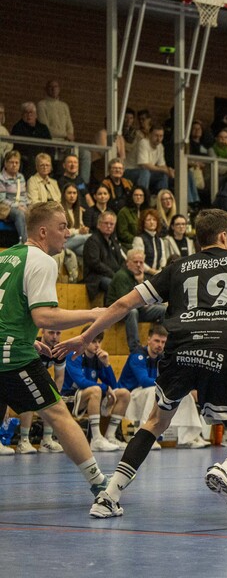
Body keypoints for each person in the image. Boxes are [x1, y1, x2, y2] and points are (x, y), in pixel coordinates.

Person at [54, 208, 227, 521]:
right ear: (224, 236)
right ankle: (226, 469)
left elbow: (122, 304)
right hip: (226, 347)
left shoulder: (177, 267)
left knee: (154, 423)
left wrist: (85, 337)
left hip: (181, 348)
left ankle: (108, 497)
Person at [0, 201, 108, 495]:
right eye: (62, 227)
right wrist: (92, 314)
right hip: (12, 357)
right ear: (43, 232)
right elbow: (45, 316)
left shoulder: (6, 256)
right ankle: (100, 485)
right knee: (58, 413)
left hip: (10, 346)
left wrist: (29, 337)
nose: (68, 233)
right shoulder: (42, 261)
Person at [118, 324, 207, 449]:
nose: (159, 345)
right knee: (153, 392)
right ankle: (147, 437)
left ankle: (188, 437)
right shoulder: (137, 355)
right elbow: (144, 381)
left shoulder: (163, 358)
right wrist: (169, 383)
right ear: (149, 339)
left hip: (148, 391)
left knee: (184, 394)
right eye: (156, 341)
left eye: (163, 342)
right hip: (131, 393)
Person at [62, 328, 131, 452]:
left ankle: (110, 436)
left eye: (99, 341)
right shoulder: (74, 355)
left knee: (124, 394)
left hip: (90, 395)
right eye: (93, 341)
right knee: (96, 390)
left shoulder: (98, 358)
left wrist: (106, 364)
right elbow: (81, 382)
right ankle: (96, 439)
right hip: (69, 397)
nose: (97, 345)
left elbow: (113, 386)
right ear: (84, 340)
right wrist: (104, 388)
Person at [15, 329, 66, 454]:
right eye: (51, 333)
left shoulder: (59, 350)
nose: (55, 337)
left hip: (35, 377)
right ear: (42, 331)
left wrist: (55, 396)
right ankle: (23, 441)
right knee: (28, 394)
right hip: (16, 375)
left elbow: (59, 377)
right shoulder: (32, 345)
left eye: (58, 333)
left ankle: (47, 440)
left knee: (52, 397)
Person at [107, 250, 167, 353]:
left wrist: (140, 281)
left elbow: (150, 298)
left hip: (138, 308)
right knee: (132, 311)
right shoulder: (121, 275)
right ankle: (135, 348)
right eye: (135, 262)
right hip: (117, 311)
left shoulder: (142, 276)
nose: (138, 265)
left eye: (141, 262)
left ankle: (159, 340)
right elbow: (125, 303)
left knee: (163, 310)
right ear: (127, 262)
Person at [82, 210, 125, 300]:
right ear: (98, 224)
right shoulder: (92, 241)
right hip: (95, 278)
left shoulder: (114, 242)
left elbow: (121, 261)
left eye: (111, 224)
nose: (109, 226)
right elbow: (95, 263)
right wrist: (113, 274)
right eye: (106, 223)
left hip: (112, 275)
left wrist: (121, 275)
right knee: (112, 284)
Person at [0, 150, 29, 242]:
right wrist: (17, 206)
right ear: (5, 163)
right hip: (5, 207)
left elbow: (24, 195)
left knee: (37, 212)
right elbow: (2, 199)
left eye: (17, 162)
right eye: (11, 162)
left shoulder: (21, 177)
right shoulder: (1, 178)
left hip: (21, 206)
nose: (14, 165)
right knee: (19, 213)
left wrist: (26, 206)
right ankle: (25, 241)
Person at [131, 209, 169, 277]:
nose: (152, 222)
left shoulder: (160, 240)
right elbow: (139, 262)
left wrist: (161, 271)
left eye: (154, 220)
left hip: (158, 275)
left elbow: (163, 259)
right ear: (143, 223)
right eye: (148, 220)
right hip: (143, 275)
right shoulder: (139, 239)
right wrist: (153, 272)